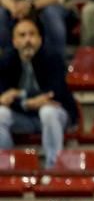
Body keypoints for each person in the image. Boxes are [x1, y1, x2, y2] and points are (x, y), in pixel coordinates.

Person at [0, 18, 77, 167]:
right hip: (24, 117)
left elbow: (55, 93)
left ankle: (53, 169)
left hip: (56, 116)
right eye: (22, 35)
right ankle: (6, 167)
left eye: (32, 34)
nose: (28, 40)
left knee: (47, 111)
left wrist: (20, 96)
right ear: (14, 41)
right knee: (0, 113)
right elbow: (4, 96)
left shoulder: (52, 57)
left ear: (40, 39)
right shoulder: (7, 60)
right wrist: (28, 103)